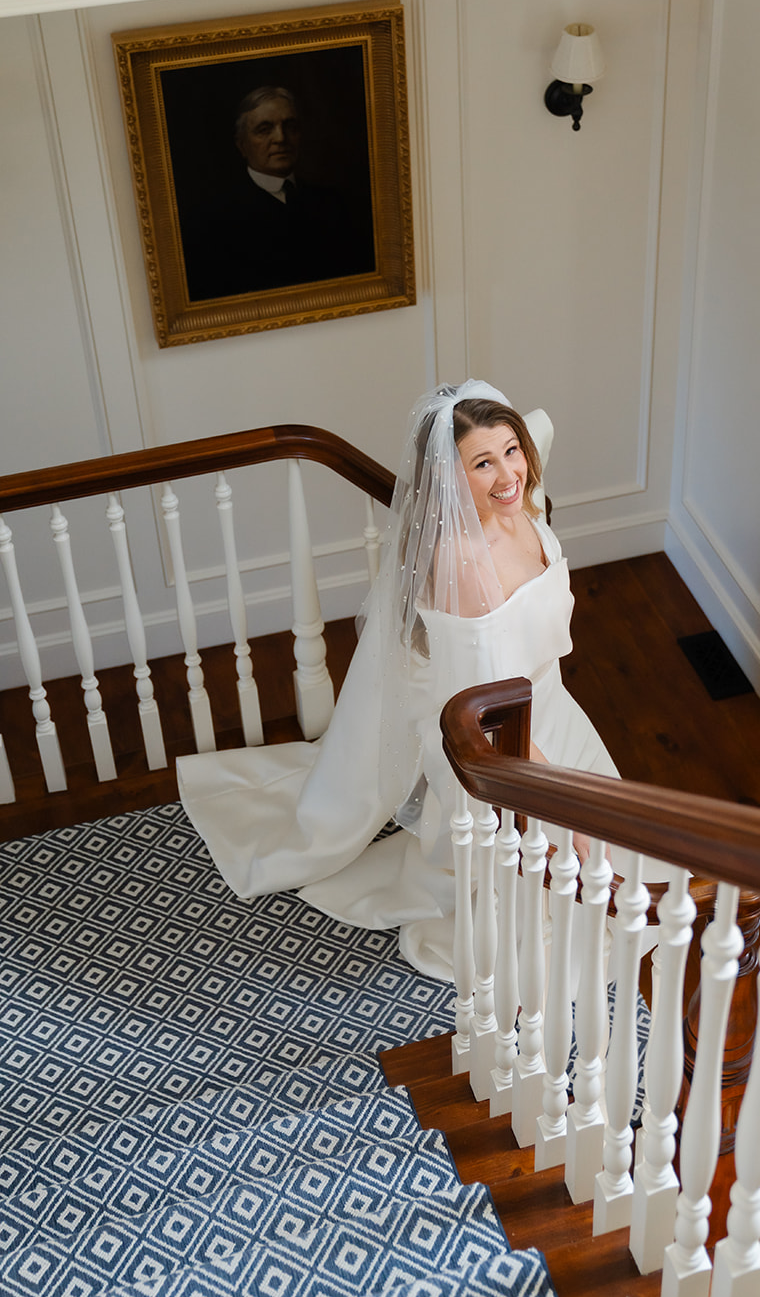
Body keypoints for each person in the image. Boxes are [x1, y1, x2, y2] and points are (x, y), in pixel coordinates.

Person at [176, 380, 619, 979]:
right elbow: (487, 715)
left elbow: (534, 434)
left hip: (551, 709)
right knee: (579, 891)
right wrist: (559, 805)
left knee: (629, 863)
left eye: (511, 450)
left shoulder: (526, 510)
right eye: (481, 463)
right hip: (499, 745)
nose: (507, 473)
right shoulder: (461, 563)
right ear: (447, 478)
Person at [180, 85, 375, 301]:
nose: (281, 138)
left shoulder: (333, 204)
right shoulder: (211, 220)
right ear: (242, 145)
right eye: (264, 129)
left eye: (290, 126)